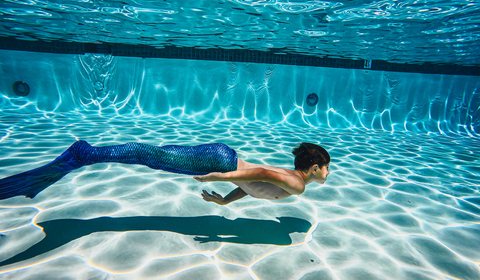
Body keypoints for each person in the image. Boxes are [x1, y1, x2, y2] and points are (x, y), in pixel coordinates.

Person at [0, 141, 330, 204]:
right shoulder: (297, 185)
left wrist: (225, 202)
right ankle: (84, 154)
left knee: (159, 156)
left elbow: (253, 185)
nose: (328, 173)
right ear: (314, 167)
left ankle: (87, 154)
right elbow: (255, 172)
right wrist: (218, 177)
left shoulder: (292, 180)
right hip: (222, 163)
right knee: (155, 157)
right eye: (326, 167)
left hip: (223, 159)